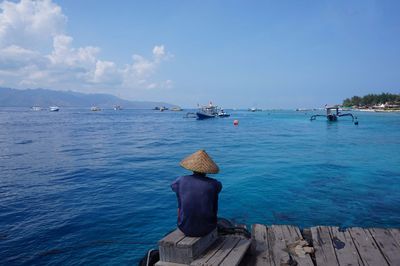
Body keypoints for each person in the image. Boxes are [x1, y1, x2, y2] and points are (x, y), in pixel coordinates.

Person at [171, 150, 222, 237]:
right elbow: (217, 190)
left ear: (192, 168)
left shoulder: (180, 180)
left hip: (184, 227)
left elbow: (173, 187)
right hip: (207, 228)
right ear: (207, 170)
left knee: (180, 200)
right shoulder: (214, 184)